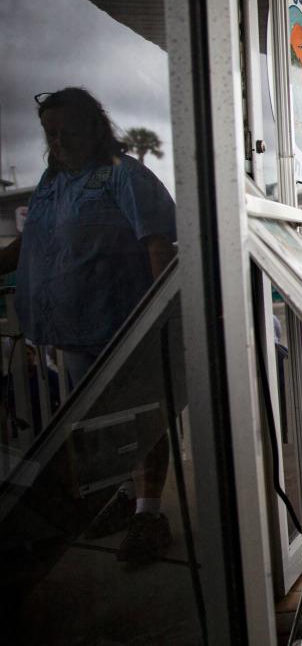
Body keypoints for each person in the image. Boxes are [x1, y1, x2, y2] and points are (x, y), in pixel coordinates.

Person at [0, 87, 177, 565]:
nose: (57, 142)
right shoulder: (52, 181)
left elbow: (158, 245)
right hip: (72, 330)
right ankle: (122, 498)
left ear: (92, 127)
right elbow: (30, 241)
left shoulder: (123, 176)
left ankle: (148, 513)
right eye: (49, 133)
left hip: (122, 327)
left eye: (66, 131)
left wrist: (155, 317)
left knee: (140, 420)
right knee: (98, 423)